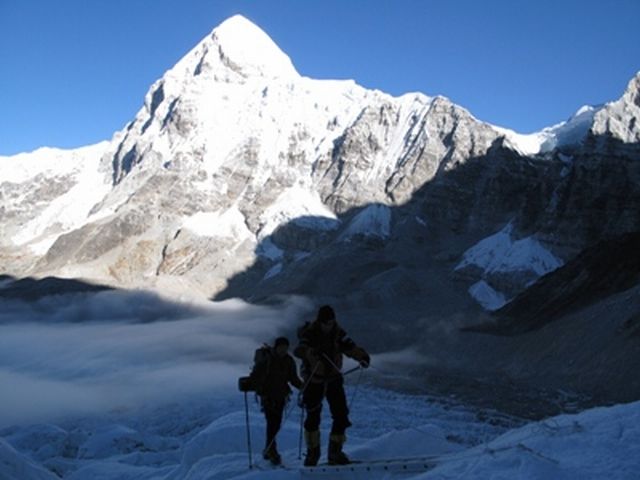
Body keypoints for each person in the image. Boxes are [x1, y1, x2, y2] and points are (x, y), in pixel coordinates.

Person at [294, 305, 370, 466]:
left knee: (341, 415)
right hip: (314, 380)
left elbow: (350, 347)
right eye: (326, 323)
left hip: (334, 378)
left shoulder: (338, 333)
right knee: (313, 417)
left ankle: (335, 453)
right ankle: (312, 453)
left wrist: (362, 357)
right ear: (320, 321)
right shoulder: (310, 333)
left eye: (331, 322)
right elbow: (299, 350)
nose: (329, 326)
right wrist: (311, 352)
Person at [249, 336, 303, 465]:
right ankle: (271, 450)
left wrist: (303, 386)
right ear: (276, 347)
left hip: (280, 396)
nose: (283, 350)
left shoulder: (288, 361)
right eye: (281, 347)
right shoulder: (267, 360)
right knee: (273, 422)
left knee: (275, 423)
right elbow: (255, 375)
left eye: (285, 348)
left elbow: (293, 378)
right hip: (268, 396)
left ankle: (269, 449)